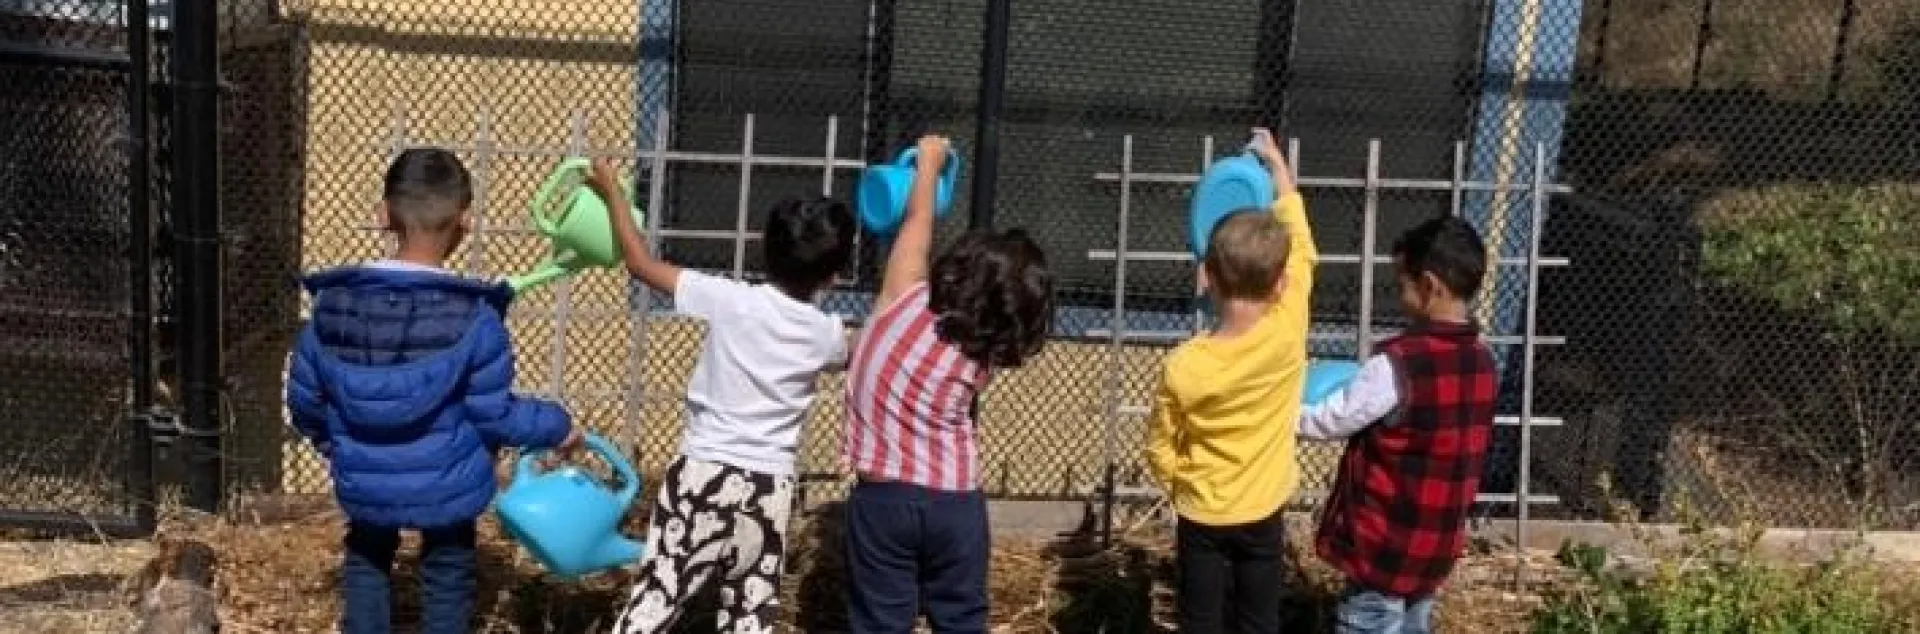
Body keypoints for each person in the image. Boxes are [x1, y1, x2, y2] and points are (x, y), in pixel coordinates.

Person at [285, 148, 583, 634]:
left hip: (364, 481)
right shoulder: (477, 318)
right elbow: (494, 416)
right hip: (449, 483)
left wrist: (337, 446)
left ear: (382, 215)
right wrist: (557, 425)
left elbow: (305, 403)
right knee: (447, 567)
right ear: (465, 221)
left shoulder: (331, 310)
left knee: (367, 555)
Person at [595, 158, 858, 634]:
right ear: (833, 277)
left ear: (764, 249)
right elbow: (864, 349)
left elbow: (640, 264)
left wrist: (611, 187)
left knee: (656, 601)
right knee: (748, 615)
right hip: (769, 487)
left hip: (703, 475)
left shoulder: (729, 299)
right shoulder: (826, 335)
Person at [842, 134, 1056, 633]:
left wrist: (928, 165)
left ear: (954, 268)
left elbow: (917, 224)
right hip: (957, 504)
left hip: (883, 500)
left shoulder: (901, 298)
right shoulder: (981, 356)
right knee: (961, 619)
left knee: (879, 620)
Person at [1144, 128, 1315, 634]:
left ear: (1208, 277)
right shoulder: (1288, 331)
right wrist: (1280, 171)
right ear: (1280, 282)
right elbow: (1302, 248)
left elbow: (1160, 439)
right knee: (1259, 615)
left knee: (1199, 616)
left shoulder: (1184, 364)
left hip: (1201, 510)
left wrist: (1175, 480)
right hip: (1263, 506)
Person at [1297, 215, 1497, 634]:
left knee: (1369, 621)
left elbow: (1331, 420)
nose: (1399, 294)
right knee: (1414, 622)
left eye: (1401, 283)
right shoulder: (1483, 361)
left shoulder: (1396, 364)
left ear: (1429, 285)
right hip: (1435, 546)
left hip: (1382, 545)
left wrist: (1278, 412)